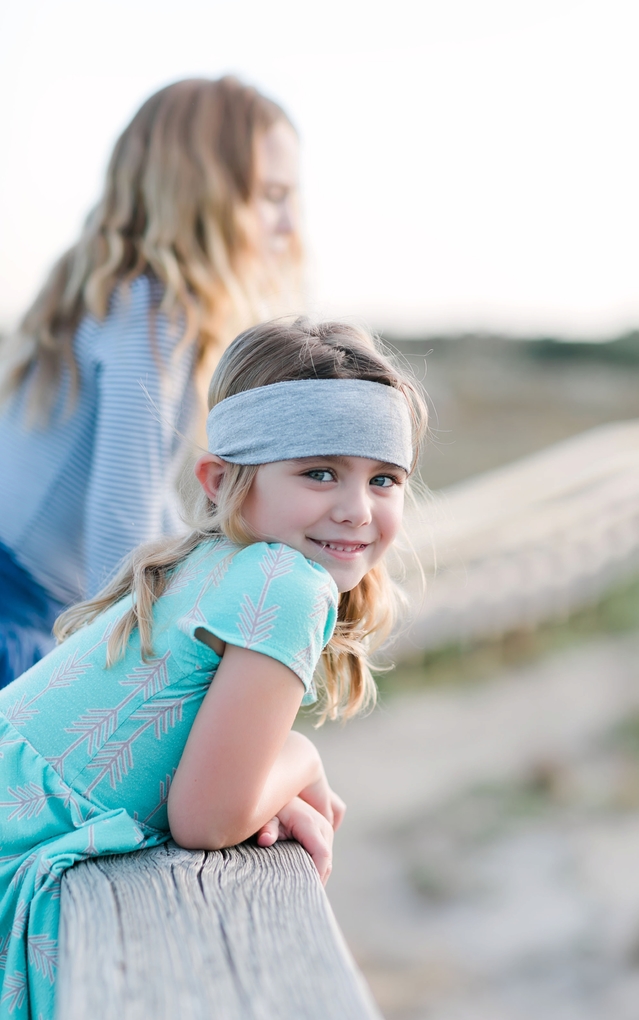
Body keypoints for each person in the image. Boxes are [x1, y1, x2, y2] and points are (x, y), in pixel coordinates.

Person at [0, 317, 428, 1020]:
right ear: (222, 478)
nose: (356, 510)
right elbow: (208, 817)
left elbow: (204, 782)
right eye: (319, 472)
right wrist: (300, 759)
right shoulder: (288, 585)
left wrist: (255, 780)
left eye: (385, 479)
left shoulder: (205, 562)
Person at [0, 75, 303, 687]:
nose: (289, 223)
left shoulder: (118, 295)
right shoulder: (151, 316)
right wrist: (138, 676)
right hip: (17, 610)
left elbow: (149, 498)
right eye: (271, 196)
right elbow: (121, 519)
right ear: (201, 195)